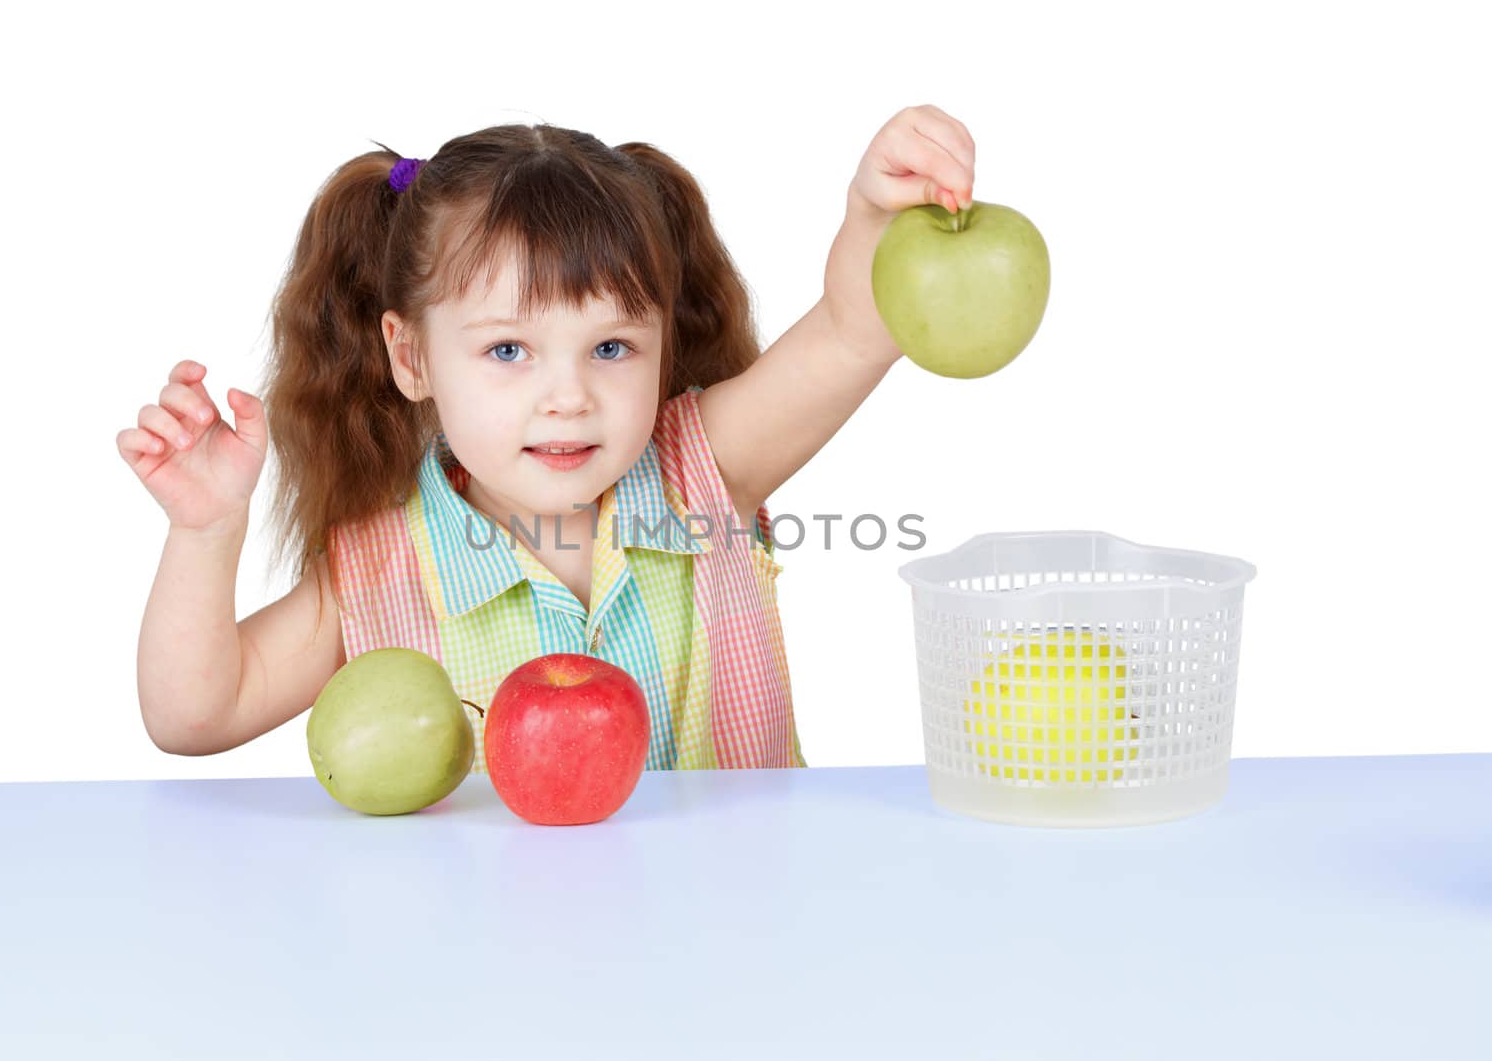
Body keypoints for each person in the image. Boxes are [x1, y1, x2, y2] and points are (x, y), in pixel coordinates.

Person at [119, 108, 976, 773]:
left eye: (611, 347)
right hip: (490, 967)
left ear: (661, 346)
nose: (567, 397)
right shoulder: (377, 571)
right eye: (507, 350)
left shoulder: (705, 469)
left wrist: (873, 209)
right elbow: (195, 714)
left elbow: (856, 330)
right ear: (412, 356)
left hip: (731, 946)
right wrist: (205, 532)